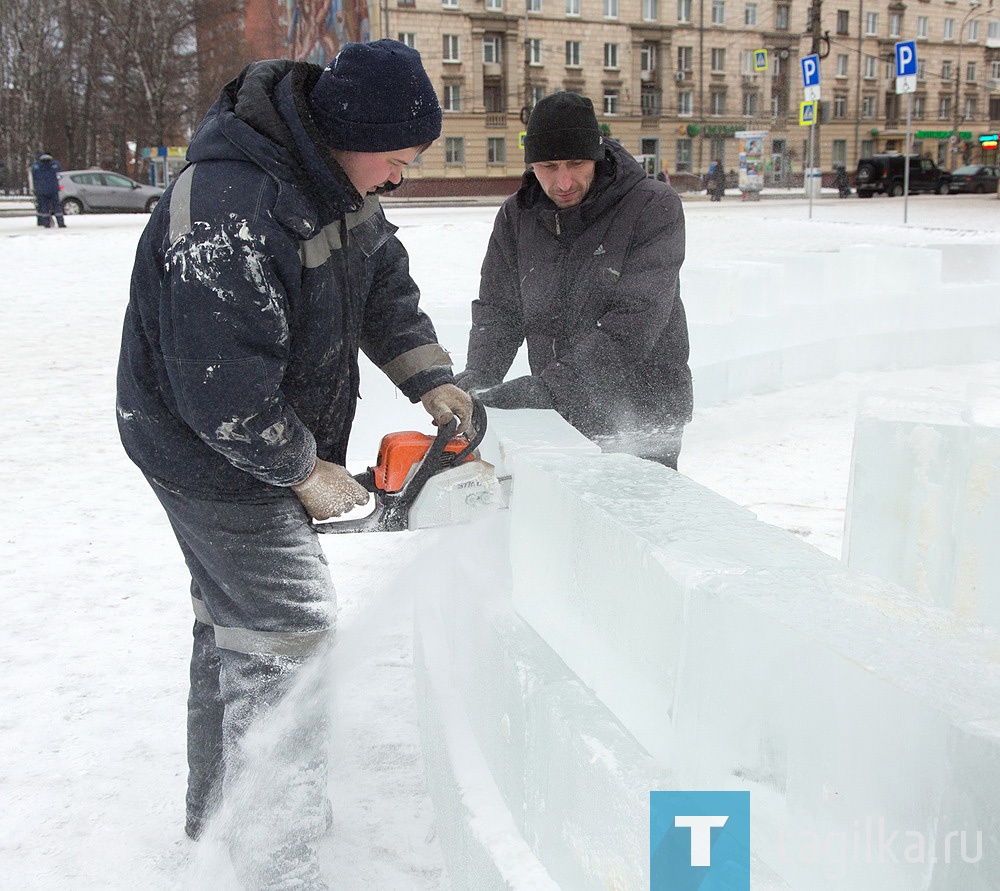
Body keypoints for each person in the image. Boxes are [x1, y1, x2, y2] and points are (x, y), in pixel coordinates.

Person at [116, 39, 471, 886]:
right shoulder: (234, 207)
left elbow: (381, 279)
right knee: (289, 635)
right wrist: (302, 468)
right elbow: (222, 392)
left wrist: (429, 378)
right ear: (355, 131)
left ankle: (219, 830)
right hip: (205, 447)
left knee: (236, 628)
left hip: (247, 432)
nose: (401, 176)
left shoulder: (334, 181)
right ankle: (279, 863)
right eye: (399, 157)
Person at [453, 92, 692, 469]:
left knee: (633, 520)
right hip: (561, 411)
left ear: (595, 156)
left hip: (642, 409)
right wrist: (478, 379)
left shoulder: (652, 206)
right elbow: (499, 310)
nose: (563, 181)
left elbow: (636, 319)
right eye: (548, 166)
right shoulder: (517, 216)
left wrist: (550, 390)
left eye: (576, 163)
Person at [31, 152, 65, 228]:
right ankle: (60, 222)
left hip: (41, 190)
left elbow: (34, 175)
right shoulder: (54, 165)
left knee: (44, 207)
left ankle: (46, 223)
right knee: (57, 207)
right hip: (53, 190)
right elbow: (59, 169)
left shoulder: (37, 166)